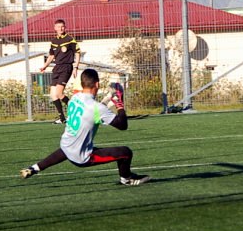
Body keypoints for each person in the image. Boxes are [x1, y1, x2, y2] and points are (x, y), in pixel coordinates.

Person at [20, 68, 150, 186]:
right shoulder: (96, 108)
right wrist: (119, 105)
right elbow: (122, 125)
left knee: (68, 147)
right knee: (125, 152)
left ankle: (34, 168)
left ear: (82, 84)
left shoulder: (76, 98)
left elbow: (93, 111)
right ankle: (126, 179)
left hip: (66, 144)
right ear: (97, 85)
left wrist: (108, 99)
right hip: (82, 157)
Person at [40, 19, 81, 124]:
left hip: (66, 67)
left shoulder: (70, 39)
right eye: (58, 27)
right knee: (53, 95)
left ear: (65, 27)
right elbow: (51, 55)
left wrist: (75, 67)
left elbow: (77, 52)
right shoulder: (54, 41)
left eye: (62, 26)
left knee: (59, 93)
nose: (60, 28)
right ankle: (62, 118)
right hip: (57, 68)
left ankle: (78, 110)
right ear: (55, 28)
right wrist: (44, 66)